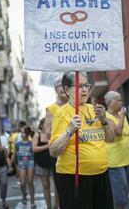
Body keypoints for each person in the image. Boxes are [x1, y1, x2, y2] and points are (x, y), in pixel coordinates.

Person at [49, 71, 115, 209]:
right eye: (79, 86)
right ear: (67, 90)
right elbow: (54, 151)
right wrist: (69, 130)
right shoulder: (62, 113)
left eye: (86, 85)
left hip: (101, 174)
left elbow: (110, 138)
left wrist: (104, 120)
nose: (85, 89)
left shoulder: (95, 109)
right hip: (74, 177)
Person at [104, 91, 129, 209]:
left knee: (125, 190)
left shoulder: (121, 115)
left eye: (121, 99)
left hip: (127, 158)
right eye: (118, 99)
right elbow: (118, 133)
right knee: (120, 191)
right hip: (115, 161)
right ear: (110, 102)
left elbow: (128, 134)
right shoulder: (106, 117)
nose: (121, 102)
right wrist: (123, 117)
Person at [45, 75, 68, 208]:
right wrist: (66, 130)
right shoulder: (51, 109)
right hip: (60, 151)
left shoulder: (75, 106)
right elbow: (48, 133)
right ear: (55, 89)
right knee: (60, 185)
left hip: (77, 151)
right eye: (59, 85)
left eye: (64, 84)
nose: (62, 87)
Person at [12, 126, 36, 208]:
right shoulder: (17, 144)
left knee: (30, 182)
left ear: (27, 133)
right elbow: (14, 154)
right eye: (21, 132)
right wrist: (9, 165)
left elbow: (34, 153)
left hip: (30, 162)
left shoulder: (32, 143)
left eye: (23, 132)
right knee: (22, 183)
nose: (21, 134)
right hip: (21, 164)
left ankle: (32, 202)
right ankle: (24, 196)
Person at [33, 118, 54, 209]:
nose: (48, 125)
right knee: (46, 186)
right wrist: (46, 146)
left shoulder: (53, 133)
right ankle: (48, 207)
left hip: (53, 162)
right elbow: (33, 149)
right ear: (41, 125)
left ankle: (57, 206)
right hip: (41, 163)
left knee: (57, 186)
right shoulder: (37, 135)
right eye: (46, 123)